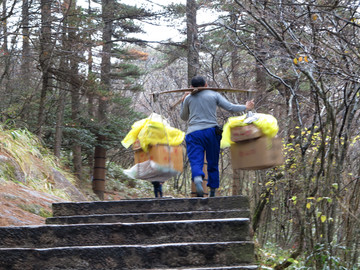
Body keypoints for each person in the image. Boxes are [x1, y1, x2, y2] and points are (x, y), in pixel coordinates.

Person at [180, 76, 254, 197]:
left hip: (194, 133)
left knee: (195, 160)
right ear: (206, 84)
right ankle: (213, 190)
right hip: (211, 132)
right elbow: (230, 107)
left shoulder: (188, 98)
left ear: (192, 87)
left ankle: (198, 177)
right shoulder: (213, 94)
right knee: (212, 161)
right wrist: (246, 107)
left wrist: (183, 101)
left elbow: (183, 117)